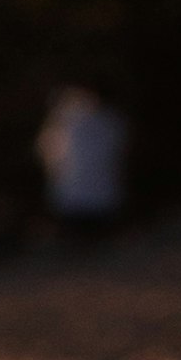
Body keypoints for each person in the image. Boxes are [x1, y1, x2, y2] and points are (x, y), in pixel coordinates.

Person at [38, 81, 126, 251]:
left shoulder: (63, 123)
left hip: (75, 200)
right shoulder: (111, 120)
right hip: (100, 198)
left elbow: (48, 154)